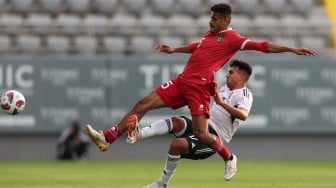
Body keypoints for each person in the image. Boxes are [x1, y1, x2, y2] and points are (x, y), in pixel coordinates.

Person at [85, 2, 316, 176]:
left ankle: (229, 157)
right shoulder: (209, 36)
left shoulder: (233, 38)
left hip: (199, 88)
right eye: (211, 18)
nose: (211, 21)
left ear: (226, 20)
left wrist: (292, 49)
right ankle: (107, 137)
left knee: (203, 135)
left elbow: (263, 46)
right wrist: (174, 50)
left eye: (215, 19)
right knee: (142, 104)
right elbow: (197, 47)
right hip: (182, 81)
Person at [134, 59, 253, 187]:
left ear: (241, 76)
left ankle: (162, 183)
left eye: (231, 72)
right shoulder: (224, 89)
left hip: (214, 137)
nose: (226, 75)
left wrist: (221, 103)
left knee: (176, 145)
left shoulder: (245, 94)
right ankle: (139, 134)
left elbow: (243, 115)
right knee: (176, 122)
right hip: (203, 126)